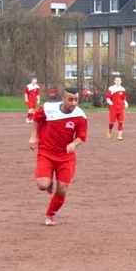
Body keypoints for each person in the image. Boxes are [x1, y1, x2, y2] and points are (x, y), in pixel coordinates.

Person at [28, 88, 87, 226]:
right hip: (46, 152)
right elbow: (37, 118)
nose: (73, 103)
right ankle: (49, 182)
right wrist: (33, 137)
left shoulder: (80, 116)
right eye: (70, 99)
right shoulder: (48, 108)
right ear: (63, 98)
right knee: (43, 185)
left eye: (76, 100)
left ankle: (50, 214)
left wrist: (74, 143)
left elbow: (82, 137)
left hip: (66, 156)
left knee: (62, 189)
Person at [105, 76, 128, 141]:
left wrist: (125, 102)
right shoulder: (111, 88)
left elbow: (123, 98)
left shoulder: (123, 89)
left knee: (121, 122)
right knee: (111, 122)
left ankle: (119, 136)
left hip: (121, 108)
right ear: (114, 81)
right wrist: (109, 102)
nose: (118, 81)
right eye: (116, 80)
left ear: (121, 81)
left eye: (119, 80)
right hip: (113, 108)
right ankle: (109, 132)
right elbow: (107, 97)